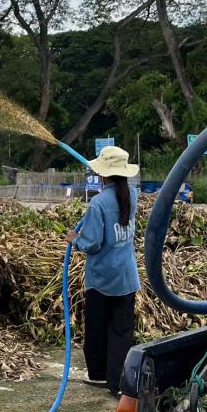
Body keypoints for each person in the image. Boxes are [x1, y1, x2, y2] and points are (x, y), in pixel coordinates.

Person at [66, 145, 140, 396]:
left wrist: (74, 238)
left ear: (104, 174)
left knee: (97, 329)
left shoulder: (98, 203)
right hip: (126, 277)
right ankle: (118, 383)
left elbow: (93, 242)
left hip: (102, 279)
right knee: (121, 330)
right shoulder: (133, 195)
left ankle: (98, 374)